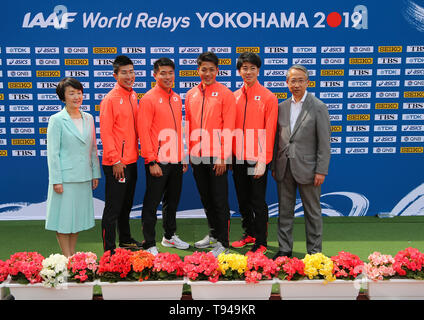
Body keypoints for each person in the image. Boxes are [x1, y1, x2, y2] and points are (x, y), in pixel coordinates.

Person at [271, 64, 331, 259]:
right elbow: (277, 139)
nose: (296, 84)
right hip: (284, 167)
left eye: (300, 80)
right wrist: (274, 166)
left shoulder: (318, 107)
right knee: (284, 212)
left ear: (307, 82)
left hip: (309, 169)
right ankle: (284, 250)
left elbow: (324, 143)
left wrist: (321, 170)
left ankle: (314, 253)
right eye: (292, 81)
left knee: (312, 213)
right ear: (286, 83)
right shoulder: (281, 107)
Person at [185, 51, 236, 257]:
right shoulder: (191, 94)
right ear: (198, 70)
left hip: (218, 157)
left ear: (217, 71)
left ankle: (223, 242)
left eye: (211, 70)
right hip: (197, 156)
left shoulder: (225, 94)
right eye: (203, 69)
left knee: (219, 200)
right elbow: (189, 126)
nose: (207, 73)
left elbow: (230, 128)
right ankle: (214, 235)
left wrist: (223, 156)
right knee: (206, 198)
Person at [138, 57, 190, 256]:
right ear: (155, 75)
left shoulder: (176, 98)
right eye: (163, 73)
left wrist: (182, 155)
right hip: (158, 160)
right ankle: (149, 242)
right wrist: (151, 160)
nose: (167, 77)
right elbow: (144, 132)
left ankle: (169, 236)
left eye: (170, 73)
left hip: (176, 159)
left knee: (172, 201)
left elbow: (178, 129)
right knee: (152, 203)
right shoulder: (148, 99)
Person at [46, 77, 101, 257]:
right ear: (63, 97)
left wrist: (95, 173)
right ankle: (67, 257)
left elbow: (93, 148)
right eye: (72, 93)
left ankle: (72, 255)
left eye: (79, 93)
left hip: (83, 177)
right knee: (63, 220)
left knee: (77, 220)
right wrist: (56, 180)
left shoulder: (89, 118)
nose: (77, 97)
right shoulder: (57, 120)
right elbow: (53, 153)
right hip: (65, 179)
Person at [231, 52, 278, 254]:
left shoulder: (268, 97)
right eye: (244, 68)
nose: (248, 72)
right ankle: (249, 233)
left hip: (256, 159)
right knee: (243, 199)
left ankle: (261, 242)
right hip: (237, 159)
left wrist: (263, 160)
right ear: (239, 71)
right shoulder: (234, 96)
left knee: (257, 201)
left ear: (258, 70)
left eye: (252, 68)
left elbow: (270, 131)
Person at [99, 55, 141, 252]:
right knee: (113, 209)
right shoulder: (110, 99)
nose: (129, 76)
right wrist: (115, 160)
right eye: (124, 72)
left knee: (126, 206)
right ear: (115, 75)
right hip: (117, 163)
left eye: (131, 71)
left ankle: (125, 239)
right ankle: (109, 250)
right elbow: (106, 133)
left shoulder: (133, 95)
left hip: (132, 161)